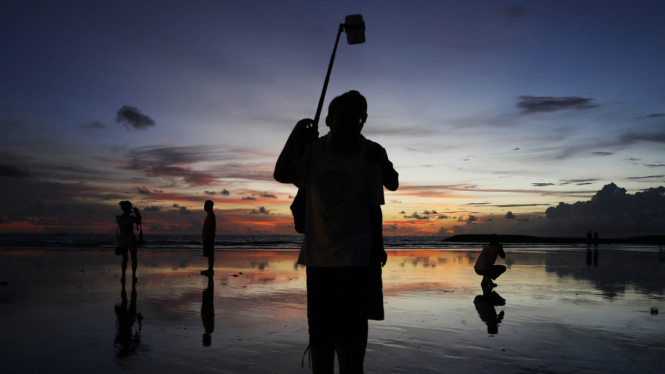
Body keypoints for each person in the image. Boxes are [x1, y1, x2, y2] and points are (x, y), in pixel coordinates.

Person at [274, 90, 398, 373]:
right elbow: (281, 174)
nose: (347, 123)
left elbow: (377, 203)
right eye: (341, 117)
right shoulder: (314, 151)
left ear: (362, 121)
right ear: (328, 119)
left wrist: (377, 247)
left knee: (352, 348)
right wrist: (297, 134)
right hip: (319, 262)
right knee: (320, 344)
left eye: (354, 118)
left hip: (357, 261)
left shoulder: (370, 152)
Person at [116, 201, 141, 284]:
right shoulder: (131, 218)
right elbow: (139, 222)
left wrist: (132, 212)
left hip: (122, 238)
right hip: (130, 238)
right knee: (133, 258)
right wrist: (136, 212)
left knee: (125, 258)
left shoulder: (118, 218)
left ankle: (123, 276)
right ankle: (133, 275)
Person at [201, 200, 216, 276]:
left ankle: (210, 269)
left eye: (205, 205)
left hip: (209, 237)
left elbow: (210, 227)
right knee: (209, 254)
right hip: (208, 237)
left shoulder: (211, 215)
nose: (204, 206)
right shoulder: (209, 214)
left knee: (210, 254)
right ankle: (209, 269)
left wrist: (207, 237)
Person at [201, 272, 215, 347]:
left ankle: (210, 276)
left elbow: (208, 315)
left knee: (210, 289)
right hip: (208, 306)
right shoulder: (209, 329)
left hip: (207, 306)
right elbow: (209, 315)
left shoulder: (208, 329)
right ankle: (210, 276)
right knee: (210, 289)